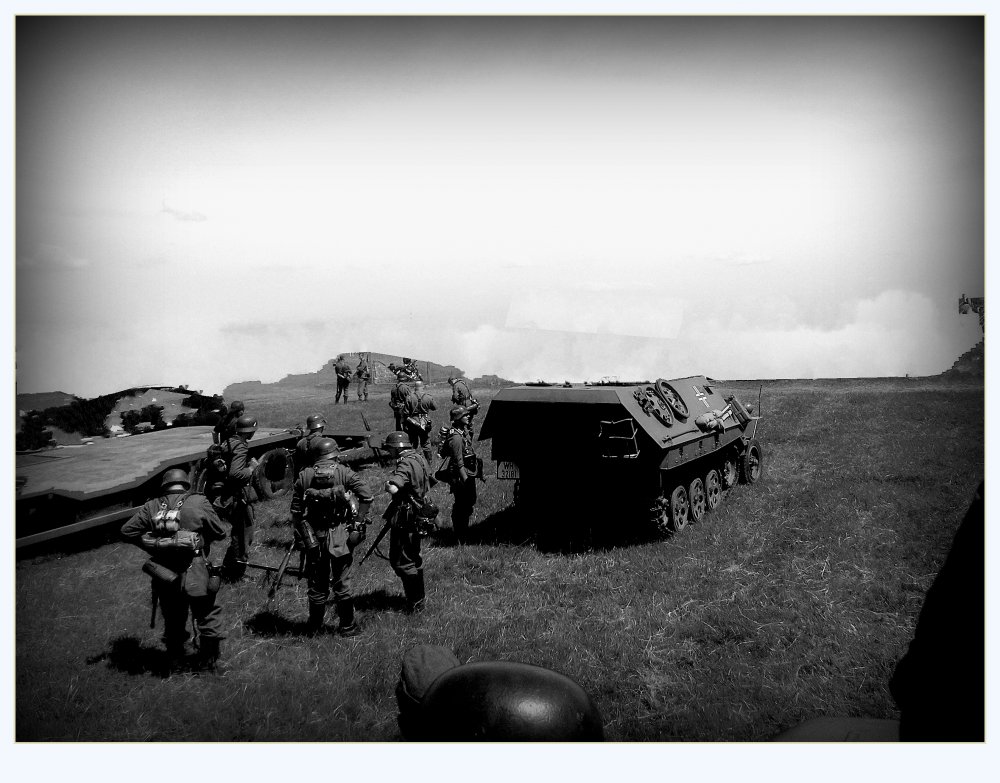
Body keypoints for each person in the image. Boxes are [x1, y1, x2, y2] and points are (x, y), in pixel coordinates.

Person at [121, 468, 228, 671]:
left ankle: (175, 662)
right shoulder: (198, 501)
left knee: (173, 618)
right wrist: (199, 539)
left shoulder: (152, 506)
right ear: (186, 484)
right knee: (207, 614)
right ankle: (209, 662)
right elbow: (220, 532)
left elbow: (127, 531)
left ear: (164, 486)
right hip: (196, 571)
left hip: (165, 573)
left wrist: (154, 545)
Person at [290, 437, 374, 637]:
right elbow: (367, 496)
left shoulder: (305, 475)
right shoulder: (344, 472)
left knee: (317, 584)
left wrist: (303, 534)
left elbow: (296, 511)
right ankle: (347, 627)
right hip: (340, 537)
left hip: (314, 537)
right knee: (342, 582)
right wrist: (358, 521)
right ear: (335, 454)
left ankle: (314, 628)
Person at [381, 431, 438, 613]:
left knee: (402, 560)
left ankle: (415, 604)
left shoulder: (405, 462)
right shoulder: (419, 457)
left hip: (406, 517)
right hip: (420, 512)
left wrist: (388, 484)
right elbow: (432, 479)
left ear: (396, 448)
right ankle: (419, 601)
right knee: (414, 556)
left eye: (390, 448)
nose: (388, 452)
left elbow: (393, 488)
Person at [206, 413, 258, 581]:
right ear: (250, 431)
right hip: (236, 497)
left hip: (226, 496)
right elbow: (235, 473)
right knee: (244, 535)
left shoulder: (228, 442)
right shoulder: (240, 446)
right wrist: (251, 468)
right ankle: (234, 574)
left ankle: (229, 568)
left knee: (239, 532)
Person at [440, 406, 480, 543]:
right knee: (462, 504)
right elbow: (459, 462)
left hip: (467, 472)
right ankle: (460, 533)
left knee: (469, 501)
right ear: (458, 418)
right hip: (460, 475)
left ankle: (463, 530)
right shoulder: (456, 437)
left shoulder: (462, 431)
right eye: (465, 415)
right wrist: (466, 479)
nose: (468, 416)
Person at [402, 380, 437, 463]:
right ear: (423, 387)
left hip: (412, 422)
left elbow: (405, 413)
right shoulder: (428, 397)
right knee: (426, 442)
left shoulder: (409, 397)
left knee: (412, 441)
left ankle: (411, 460)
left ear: (415, 387)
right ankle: (429, 461)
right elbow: (434, 407)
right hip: (425, 421)